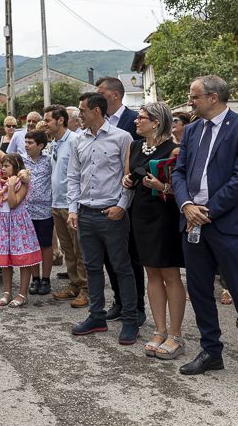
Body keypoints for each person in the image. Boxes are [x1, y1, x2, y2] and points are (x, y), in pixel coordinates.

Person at [171, 75, 238, 397]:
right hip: (192, 222)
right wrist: (187, 204)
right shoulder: (193, 130)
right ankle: (211, 351)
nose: (191, 103)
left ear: (213, 97)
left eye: (194, 97)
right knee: (200, 291)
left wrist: (208, 210)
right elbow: (179, 171)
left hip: (226, 224)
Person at [66, 92, 138, 345]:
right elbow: (73, 176)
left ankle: (131, 319)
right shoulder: (78, 140)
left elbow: (128, 177)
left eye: (82, 110)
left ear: (96, 111)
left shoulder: (122, 137)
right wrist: (73, 209)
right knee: (92, 267)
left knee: (122, 268)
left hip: (112, 214)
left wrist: (122, 206)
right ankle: (96, 316)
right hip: (86, 213)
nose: (79, 114)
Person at [123, 101, 186, 360]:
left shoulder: (175, 149)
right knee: (151, 273)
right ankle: (159, 330)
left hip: (165, 216)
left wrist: (163, 187)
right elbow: (127, 177)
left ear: (157, 121)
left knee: (170, 274)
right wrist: (127, 180)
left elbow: (183, 187)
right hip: (140, 215)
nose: (136, 121)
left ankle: (175, 334)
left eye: (141, 117)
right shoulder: (135, 146)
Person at [95, 77, 145, 324]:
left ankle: (137, 305)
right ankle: (119, 300)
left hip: (130, 199)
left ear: (115, 95)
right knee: (108, 255)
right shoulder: (99, 122)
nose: (97, 96)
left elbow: (142, 155)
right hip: (104, 199)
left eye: (101, 92)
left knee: (129, 255)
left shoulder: (134, 120)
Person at [44, 105, 88, 308]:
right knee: (67, 249)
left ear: (60, 120)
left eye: (47, 121)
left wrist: (74, 206)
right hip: (56, 203)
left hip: (72, 205)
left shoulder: (74, 140)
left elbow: (78, 174)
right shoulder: (53, 143)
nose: (44, 124)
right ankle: (74, 284)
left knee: (80, 249)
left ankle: (87, 290)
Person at [0, 155, 41, 307]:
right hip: (3, 222)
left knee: (23, 259)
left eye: (7, 166)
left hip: (18, 223)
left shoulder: (21, 183)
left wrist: (10, 186)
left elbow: (13, 203)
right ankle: (6, 291)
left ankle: (22, 294)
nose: (3, 168)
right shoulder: (0, 183)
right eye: (2, 165)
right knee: (6, 260)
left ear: (16, 168)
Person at [22, 129, 54, 295]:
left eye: (30, 143)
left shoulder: (49, 161)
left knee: (46, 245)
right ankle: (35, 278)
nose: (26, 145)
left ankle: (46, 278)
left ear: (40, 145)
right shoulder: (22, 162)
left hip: (45, 211)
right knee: (31, 245)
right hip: (26, 211)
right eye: (25, 142)